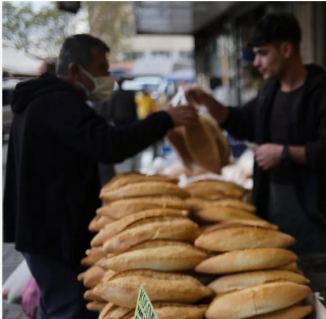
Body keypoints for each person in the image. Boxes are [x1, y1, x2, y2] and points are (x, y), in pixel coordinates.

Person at [3, 34, 198, 319]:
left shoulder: (47, 100)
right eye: (102, 69)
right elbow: (109, 144)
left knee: (57, 305)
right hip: (52, 233)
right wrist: (165, 119)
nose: (109, 77)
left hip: (44, 230)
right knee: (68, 308)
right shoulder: (57, 103)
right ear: (74, 71)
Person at [186, 13, 326, 254]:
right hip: (274, 209)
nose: (256, 62)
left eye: (262, 53)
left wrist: (284, 153)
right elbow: (243, 122)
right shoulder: (270, 93)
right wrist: (209, 103)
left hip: (319, 215)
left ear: (286, 49)